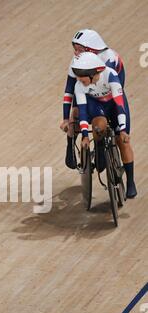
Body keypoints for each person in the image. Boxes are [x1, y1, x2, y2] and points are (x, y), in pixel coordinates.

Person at [70, 52, 137, 198]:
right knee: (98, 126)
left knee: (123, 142)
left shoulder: (111, 75)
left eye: (82, 78)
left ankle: (131, 182)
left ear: (93, 74)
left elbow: (119, 105)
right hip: (96, 106)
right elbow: (82, 112)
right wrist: (85, 137)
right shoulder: (79, 85)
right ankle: (100, 147)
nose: (79, 81)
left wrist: (123, 130)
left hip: (114, 105)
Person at [61, 29, 125, 169]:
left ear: (92, 50)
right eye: (75, 49)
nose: (75, 53)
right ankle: (71, 143)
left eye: (79, 49)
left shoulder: (110, 58)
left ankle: (100, 147)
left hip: (106, 91)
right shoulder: (77, 62)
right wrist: (66, 119)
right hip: (87, 91)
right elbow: (69, 90)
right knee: (77, 112)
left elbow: (116, 88)